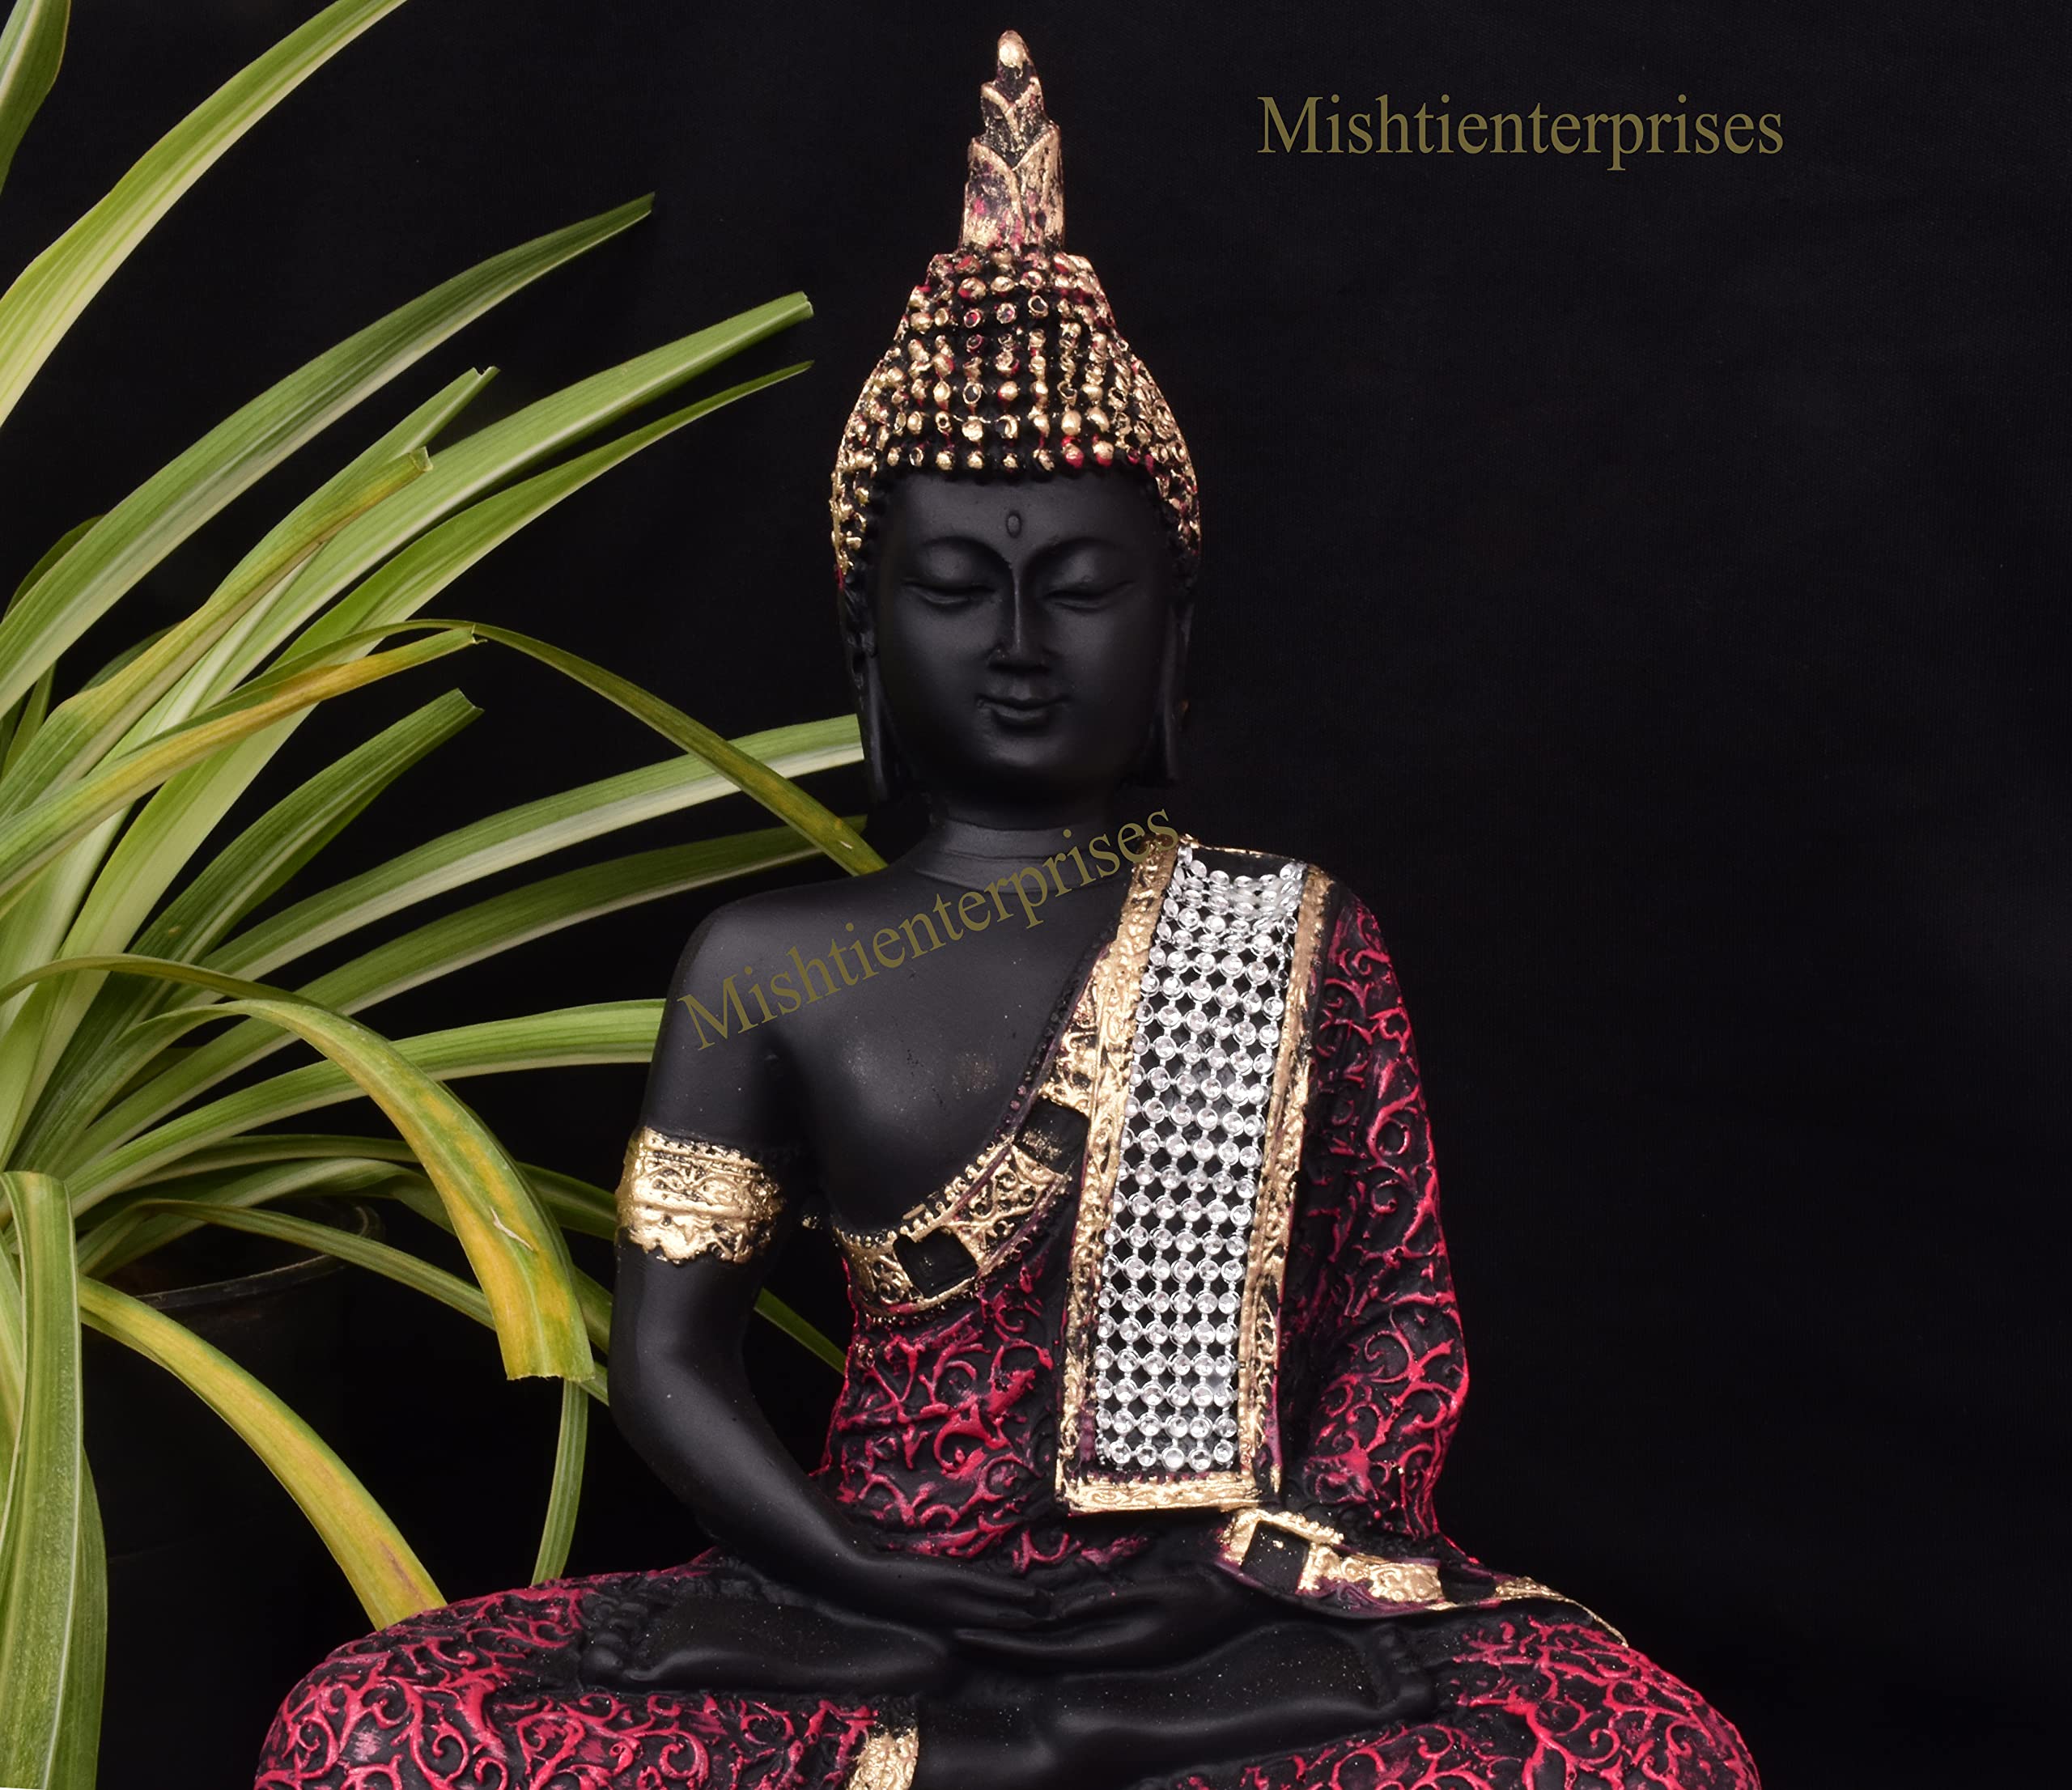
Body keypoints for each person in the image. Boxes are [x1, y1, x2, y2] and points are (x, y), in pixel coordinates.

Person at [255, 32, 1758, 1790]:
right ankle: (1008, 1727)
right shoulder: (762, 964)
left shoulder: (1295, 931)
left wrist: (1245, 1568)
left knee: (1634, 1747)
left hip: (1223, 1604)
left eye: (1084, 587)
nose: (1023, 644)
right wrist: (863, 1569)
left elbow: (1400, 1320)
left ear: (1174, 632)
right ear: (866, 633)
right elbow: (669, 1364)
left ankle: (1056, 1727)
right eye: (959, 587)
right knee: (373, 1726)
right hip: (875, 1586)